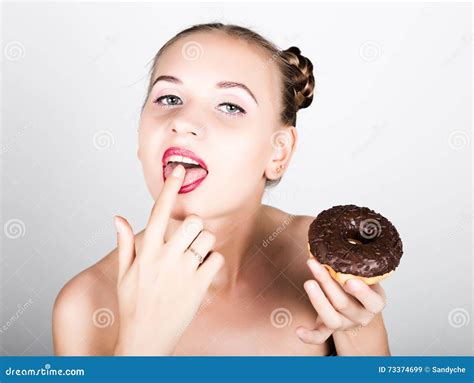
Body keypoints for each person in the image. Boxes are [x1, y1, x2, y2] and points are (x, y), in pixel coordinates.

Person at [52, 23, 390, 356]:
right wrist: (141, 349)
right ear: (140, 139)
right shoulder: (86, 304)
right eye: (169, 97)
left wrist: (359, 329)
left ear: (279, 152)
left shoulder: (324, 264)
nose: (182, 121)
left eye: (230, 106)